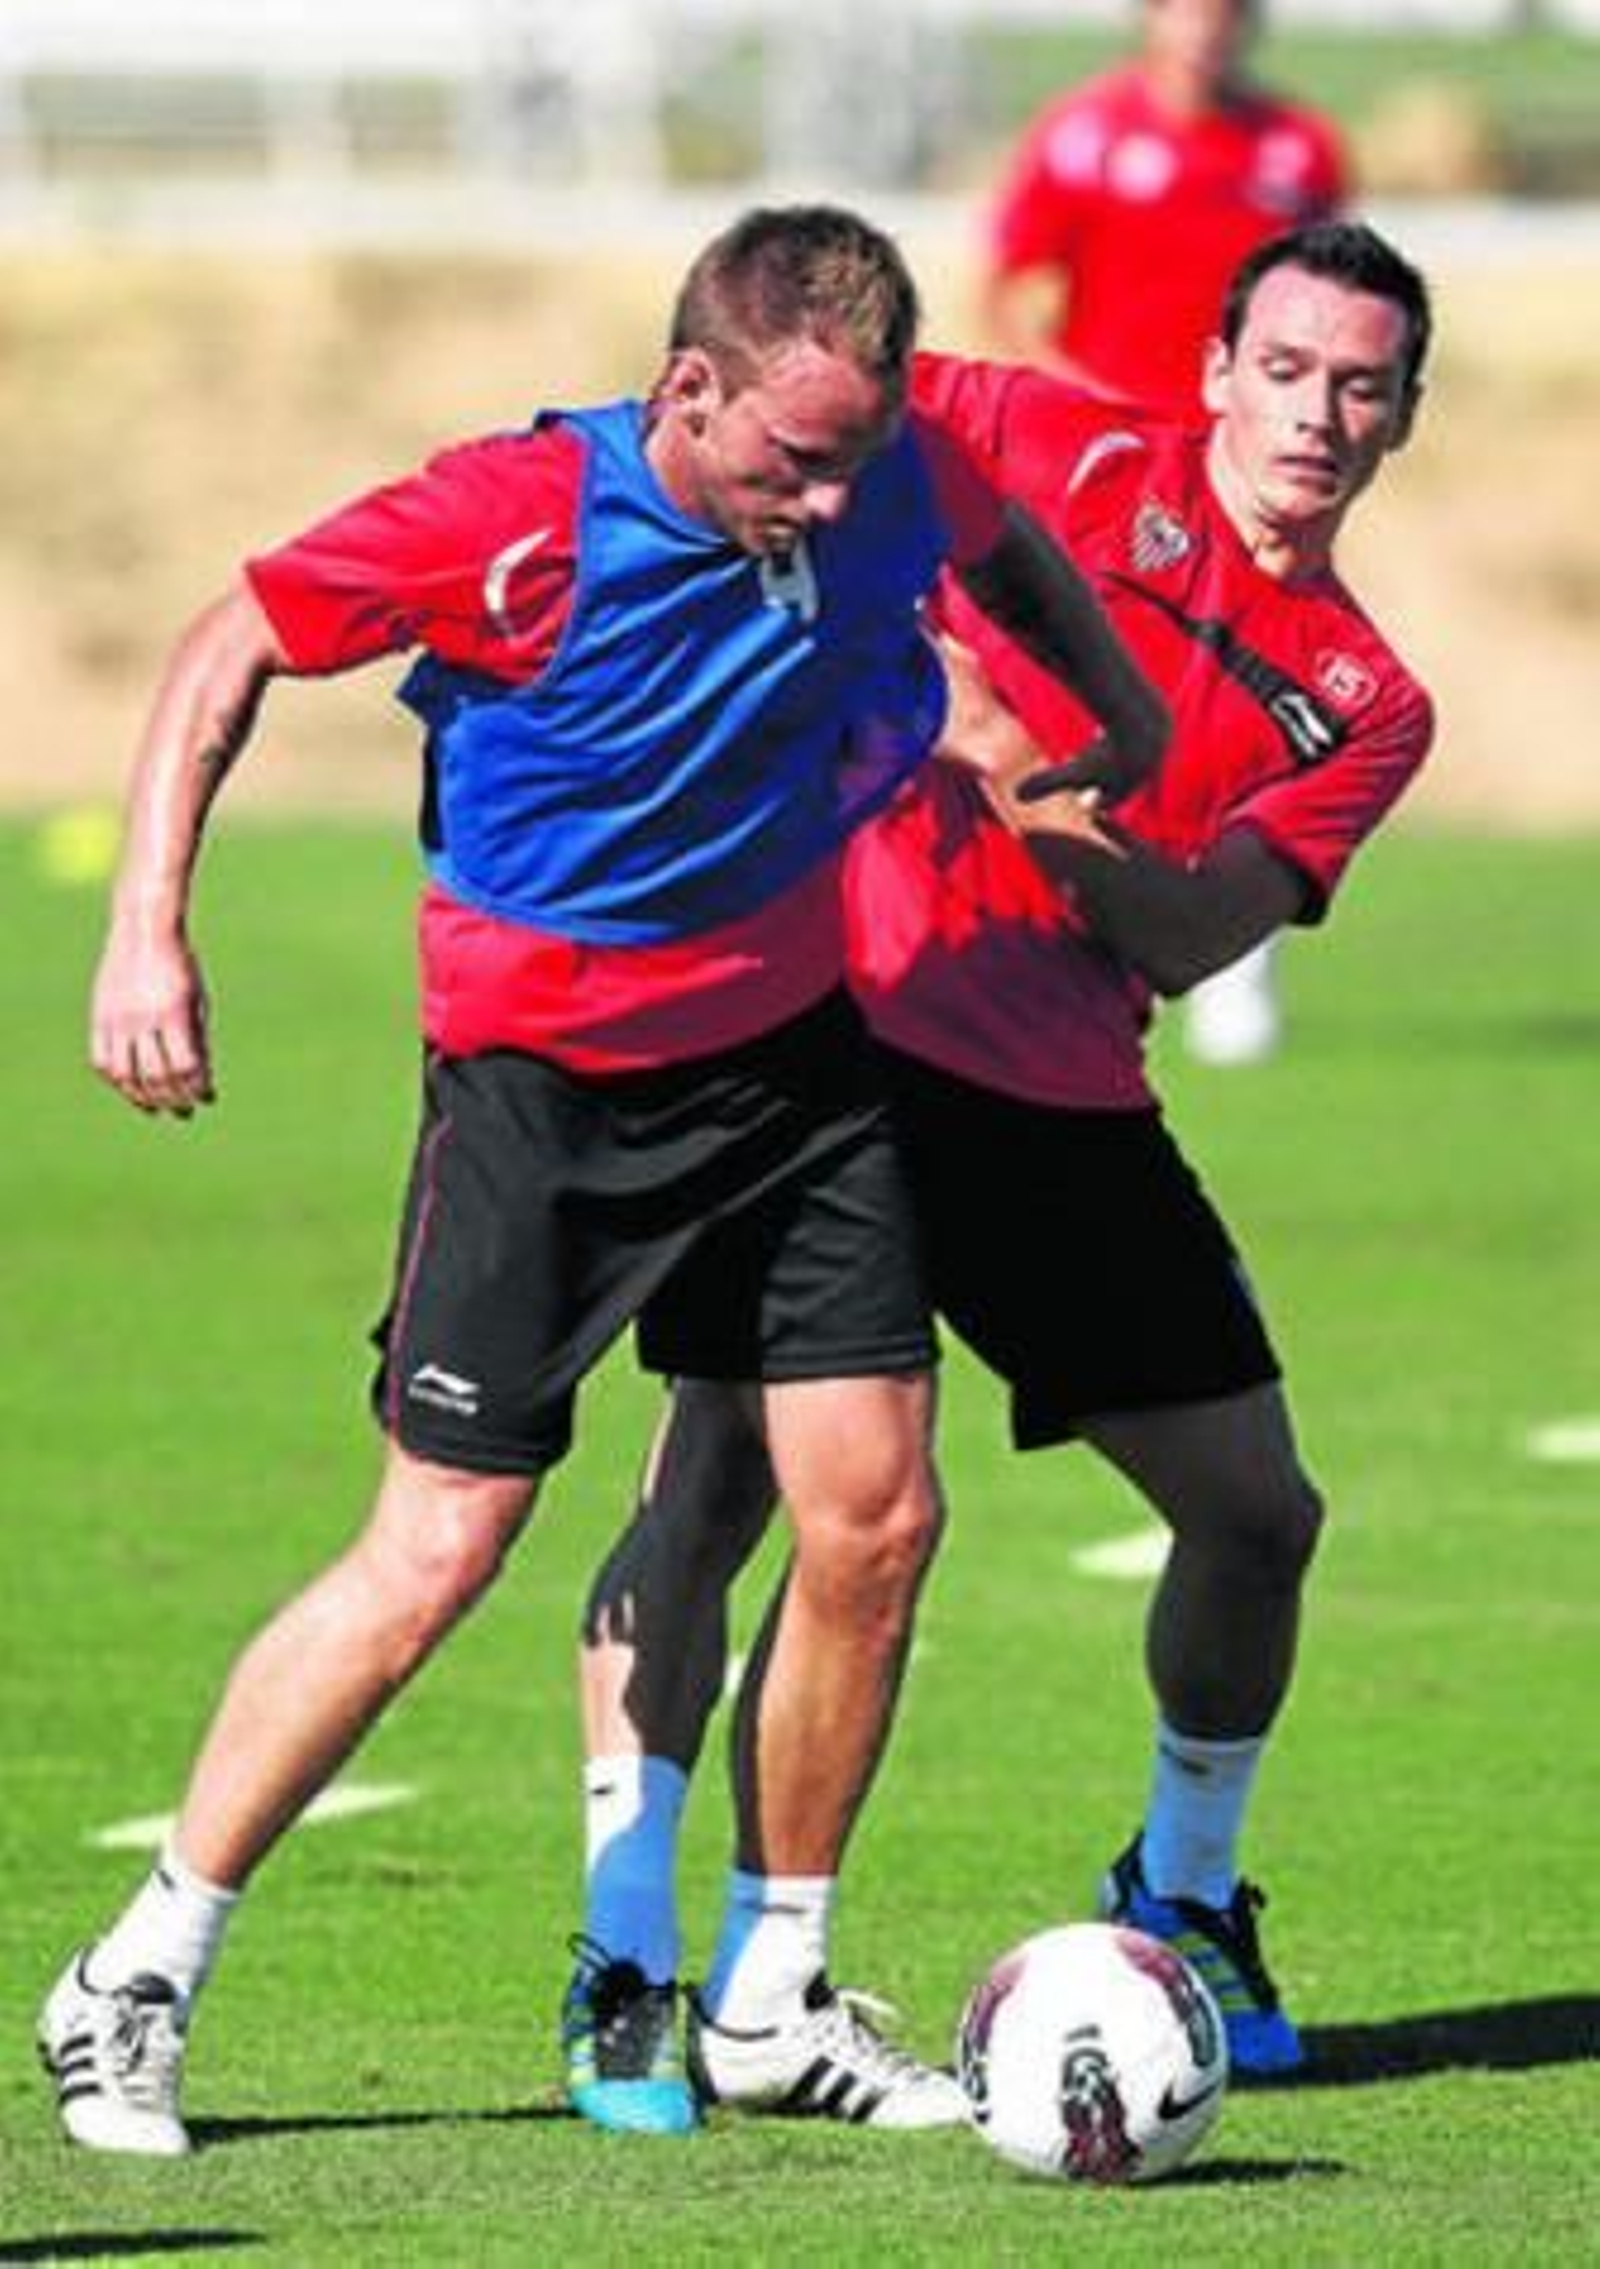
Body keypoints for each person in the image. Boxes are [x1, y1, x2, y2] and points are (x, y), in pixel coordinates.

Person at [38, 204, 1167, 2158]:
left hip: (792, 1074)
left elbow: (999, 543)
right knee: (435, 1554)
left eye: (851, 460)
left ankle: (764, 1994)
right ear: (686, 389)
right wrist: (147, 932)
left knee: (876, 1517)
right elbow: (230, 643)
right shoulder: (516, 516)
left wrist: (1120, 716)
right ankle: (135, 1972)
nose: (822, 502)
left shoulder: (887, 470)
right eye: (785, 459)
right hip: (538, 1097)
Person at [572, 221, 1435, 2117]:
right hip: (832, 1032)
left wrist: (1005, 758)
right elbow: (789, 419)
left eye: (1360, 384)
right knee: (716, 1480)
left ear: (1400, 420)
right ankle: (639, 1957)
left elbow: (1199, 937)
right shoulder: (1043, 440)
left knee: (1256, 1509)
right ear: (1216, 371)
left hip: (1059, 1098)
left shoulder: (1366, 699)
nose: (1316, 412)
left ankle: (1188, 1896)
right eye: (1285, 368)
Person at [981, 0, 1351, 1066]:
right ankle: (1075, 922)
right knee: (1094, 696)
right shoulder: (1083, 136)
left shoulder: (1294, 147)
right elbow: (1012, 295)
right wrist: (1090, 411)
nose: (1208, 29)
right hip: (1114, 483)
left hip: (1247, 483)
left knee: (1247, 707)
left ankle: (1239, 956)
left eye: (1228, 11)